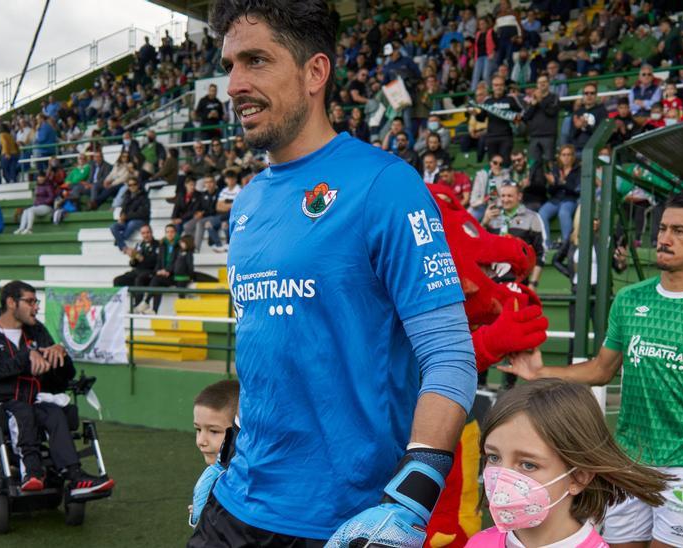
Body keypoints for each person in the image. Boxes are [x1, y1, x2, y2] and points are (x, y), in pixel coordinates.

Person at [196, 3, 475, 546]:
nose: (234, 84)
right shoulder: (246, 203)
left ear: (315, 72)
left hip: (345, 523)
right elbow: (272, 352)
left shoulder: (385, 185)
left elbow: (450, 357)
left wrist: (413, 499)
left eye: (256, 61)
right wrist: (231, 456)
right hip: (234, 505)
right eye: (229, 64)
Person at [501, 193, 683, 548]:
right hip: (628, 459)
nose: (664, 238)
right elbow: (602, 369)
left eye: (679, 231)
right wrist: (540, 373)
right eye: (662, 229)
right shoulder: (630, 300)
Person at [466, 379, 670, 546]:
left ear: (578, 477)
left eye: (528, 464)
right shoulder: (478, 543)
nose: (502, 477)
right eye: (494, 457)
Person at [0, 281, 114, 495]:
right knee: (22, 411)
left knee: (54, 413)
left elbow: (60, 380)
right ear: (11, 302)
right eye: (30, 301)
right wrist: (26, 357)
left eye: (37, 302)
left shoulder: (37, 332)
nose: (36, 307)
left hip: (34, 400)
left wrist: (61, 355)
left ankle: (75, 478)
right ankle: (31, 474)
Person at [191, 379, 241, 528]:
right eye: (198, 429)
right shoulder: (217, 472)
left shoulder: (248, 479)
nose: (201, 441)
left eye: (214, 431)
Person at [481, 183, 543, 287]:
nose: (505, 200)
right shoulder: (491, 216)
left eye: (509, 196)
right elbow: (476, 244)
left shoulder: (533, 218)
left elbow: (541, 253)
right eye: (503, 196)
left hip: (520, 281)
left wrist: (533, 284)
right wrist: (484, 222)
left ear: (519, 196)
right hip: (493, 281)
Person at [539, 146, 580, 250]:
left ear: (573, 157)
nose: (566, 157)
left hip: (570, 199)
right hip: (555, 200)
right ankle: (546, 244)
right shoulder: (556, 169)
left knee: (563, 212)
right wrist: (554, 184)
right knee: (542, 213)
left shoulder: (578, 169)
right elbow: (551, 191)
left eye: (568, 155)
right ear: (560, 157)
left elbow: (576, 190)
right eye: (563, 155)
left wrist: (561, 183)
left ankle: (567, 245)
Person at [114, 224, 162, 312]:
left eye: (148, 232)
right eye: (143, 233)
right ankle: (118, 306)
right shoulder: (140, 245)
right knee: (117, 280)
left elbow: (156, 262)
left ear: (151, 233)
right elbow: (134, 263)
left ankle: (137, 306)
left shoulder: (158, 245)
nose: (146, 235)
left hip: (150, 272)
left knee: (139, 279)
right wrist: (133, 259)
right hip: (137, 271)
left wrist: (142, 259)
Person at [111, 179, 150, 251]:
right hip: (127, 221)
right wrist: (121, 217)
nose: (132, 186)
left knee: (132, 224)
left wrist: (126, 217)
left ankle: (119, 239)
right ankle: (123, 247)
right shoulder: (127, 195)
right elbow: (123, 208)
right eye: (130, 185)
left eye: (134, 184)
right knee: (113, 226)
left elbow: (142, 213)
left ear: (138, 185)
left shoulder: (144, 196)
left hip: (141, 221)